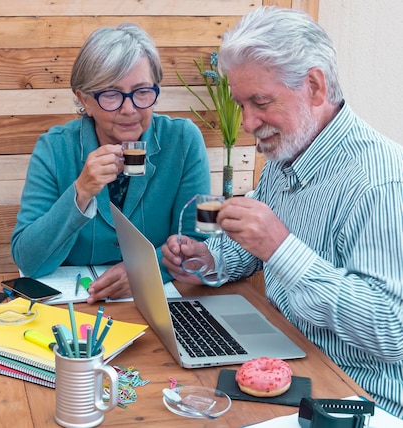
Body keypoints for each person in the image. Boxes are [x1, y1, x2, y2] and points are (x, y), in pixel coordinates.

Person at [162, 6, 403, 416]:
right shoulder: (286, 153)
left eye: (260, 101)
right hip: (289, 361)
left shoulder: (379, 182)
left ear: (314, 86)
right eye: (241, 104)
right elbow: (252, 249)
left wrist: (282, 248)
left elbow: (392, 331)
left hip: (355, 399)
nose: (248, 122)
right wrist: (210, 260)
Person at [11, 23, 211, 303]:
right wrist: (80, 192)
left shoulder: (183, 140)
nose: (129, 109)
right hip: (79, 309)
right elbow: (29, 260)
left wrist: (145, 271)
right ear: (85, 100)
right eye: (112, 94)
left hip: (159, 303)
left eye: (142, 92)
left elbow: (202, 242)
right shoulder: (55, 148)